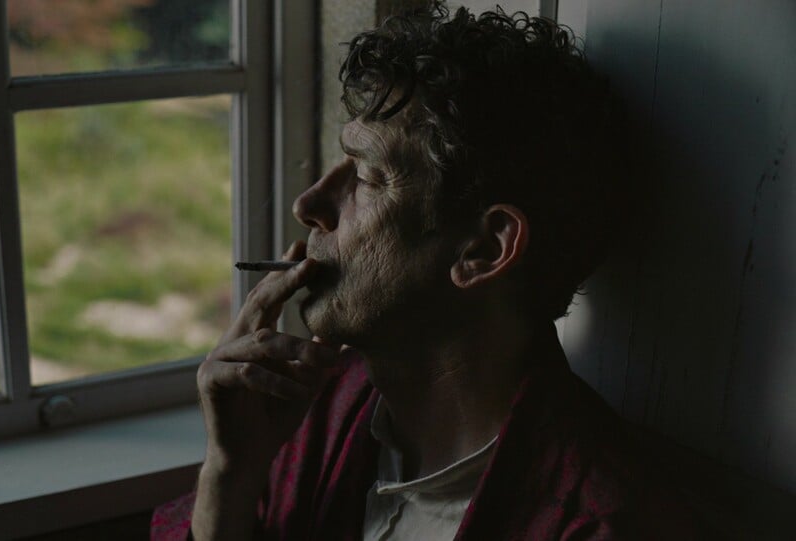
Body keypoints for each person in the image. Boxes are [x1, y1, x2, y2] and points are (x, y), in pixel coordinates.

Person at [153, 2, 711, 539]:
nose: (310, 204)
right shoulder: (321, 406)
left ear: (484, 249)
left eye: (366, 177)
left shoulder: (599, 523)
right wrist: (229, 473)